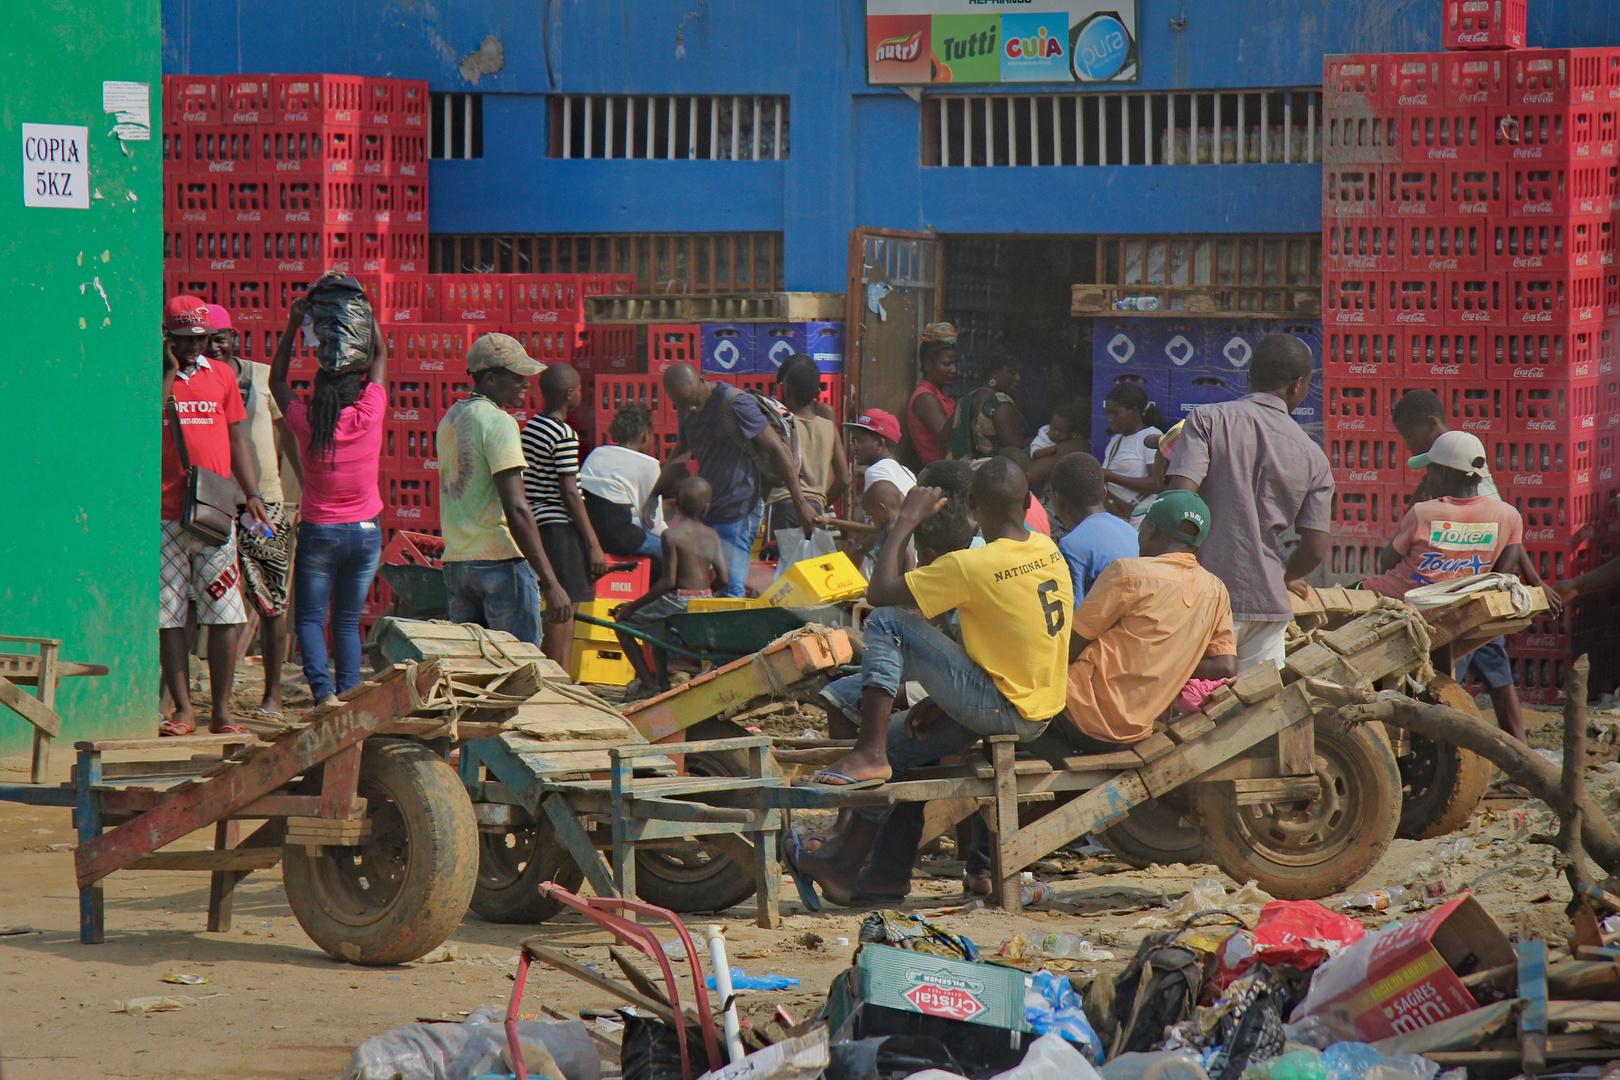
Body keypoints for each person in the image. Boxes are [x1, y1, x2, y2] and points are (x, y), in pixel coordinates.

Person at [800, 458, 1072, 792]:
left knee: (886, 622)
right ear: (1029, 501)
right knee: (895, 750)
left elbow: (879, 593)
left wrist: (905, 521)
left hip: (1004, 707)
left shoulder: (970, 564)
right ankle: (856, 842)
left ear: (972, 505)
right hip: (1038, 706)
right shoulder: (1046, 547)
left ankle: (868, 755)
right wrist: (943, 696)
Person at [1391, 389, 1558, 742]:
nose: (1407, 446)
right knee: (1498, 675)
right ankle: (1519, 750)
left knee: (1441, 675)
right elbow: (1509, 530)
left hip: (1452, 601)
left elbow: (1506, 533)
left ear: (1431, 425)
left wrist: (1535, 579)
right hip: (1480, 591)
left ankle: (1441, 746)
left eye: (1409, 436)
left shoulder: (1441, 483)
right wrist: (1528, 579)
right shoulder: (1470, 468)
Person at [1166, 334, 1332, 671]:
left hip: (1200, 596)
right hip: (1267, 607)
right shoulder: (1314, 456)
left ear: (1249, 376)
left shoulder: (1207, 420)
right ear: (1298, 385)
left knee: (1191, 710)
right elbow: (1314, 550)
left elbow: (1180, 502)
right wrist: (1282, 575)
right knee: (1256, 713)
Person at [1362, 430, 1530, 738]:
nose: (1425, 476)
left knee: (1354, 595)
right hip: (1469, 608)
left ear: (1440, 473)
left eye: (1429, 469)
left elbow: (1386, 562)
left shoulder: (1424, 512)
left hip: (1413, 608)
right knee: (1492, 654)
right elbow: (1501, 574)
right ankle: (1518, 745)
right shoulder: (1508, 515)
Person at [158, 295, 270, 737]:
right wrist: (169, 372)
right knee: (168, 615)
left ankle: (221, 713)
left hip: (214, 511)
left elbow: (237, 439)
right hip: (163, 513)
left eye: (198, 339)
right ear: (167, 338)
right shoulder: (156, 379)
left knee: (224, 609)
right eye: (182, 339)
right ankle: (183, 710)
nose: (191, 347)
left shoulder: (222, 376)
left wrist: (253, 492)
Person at [269, 297, 389, 708]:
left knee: (309, 619)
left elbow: (277, 381)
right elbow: (380, 356)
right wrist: (364, 311)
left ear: (317, 396)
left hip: (321, 534)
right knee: (348, 621)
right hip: (367, 534)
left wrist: (293, 323)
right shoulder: (369, 414)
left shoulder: (305, 423)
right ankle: (350, 690)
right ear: (357, 391)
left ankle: (324, 694)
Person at [1064, 491, 1239, 748]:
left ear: (1152, 530)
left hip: (1079, 714)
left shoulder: (1129, 573)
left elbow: (1069, 646)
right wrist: (1168, 662)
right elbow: (1226, 666)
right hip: (1137, 730)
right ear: (1197, 545)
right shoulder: (1216, 591)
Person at [437, 333, 572, 645]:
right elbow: (517, 508)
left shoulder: (451, 418)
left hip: (457, 562)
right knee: (517, 669)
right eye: (518, 377)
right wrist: (551, 583)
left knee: (471, 672)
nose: (527, 384)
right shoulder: (499, 422)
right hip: (499, 562)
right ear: (491, 379)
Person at [655, 363, 817, 598]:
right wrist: (654, 494)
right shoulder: (686, 408)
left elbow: (778, 449)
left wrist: (799, 502)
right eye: (681, 404)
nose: (690, 408)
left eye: (692, 400)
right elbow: (681, 451)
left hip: (739, 507)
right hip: (707, 511)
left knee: (731, 588)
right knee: (705, 588)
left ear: (702, 380)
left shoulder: (734, 403)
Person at [205, 304, 294, 719]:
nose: (214, 346)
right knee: (204, 600)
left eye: (220, 338)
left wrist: (306, 489)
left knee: (272, 601)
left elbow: (287, 436)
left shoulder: (260, 376)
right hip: (212, 502)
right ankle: (176, 699)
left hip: (265, 505)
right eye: (206, 340)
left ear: (234, 337)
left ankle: (273, 695)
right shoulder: (197, 381)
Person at [522, 363, 609, 667]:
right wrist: (593, 543)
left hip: (540, 524)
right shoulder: (564, 435)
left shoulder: (531, 427)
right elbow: (570, 493)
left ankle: (564, 676)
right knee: (561, 608)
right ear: (570, 394)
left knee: (566, 605)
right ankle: (550, 674)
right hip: (561, 528)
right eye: (580, 389)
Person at [614, 476, 728, 698]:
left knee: (622, 627)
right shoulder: (712, 535)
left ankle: (648, 683)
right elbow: (723, 577)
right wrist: (705, 594)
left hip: (678, 598)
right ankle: (662, 680)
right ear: (706, 508)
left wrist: (631, 607)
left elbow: (668, 582)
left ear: (677, 505)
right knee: (659, 626)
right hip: (704, 599)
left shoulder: (671, 535)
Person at [768, 355, 849, 531]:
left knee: (778, 558)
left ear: (786, 390)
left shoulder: (778, 423)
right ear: (817, 391)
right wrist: (817, 502)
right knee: (812, 559)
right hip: (817, 507)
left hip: (782, 504)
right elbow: (844, 478)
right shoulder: (829, 427)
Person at [578, 402, 666, 562]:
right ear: (645, 434)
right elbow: (653, 525)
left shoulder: (597, 453)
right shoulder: (648, 464)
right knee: (675, 551)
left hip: (588, 537)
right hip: (621, 539)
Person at [1051, 452, 1140, 602]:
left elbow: (1075, 613)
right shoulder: (1130, 531)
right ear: (1105, 492)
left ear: (1058, 498)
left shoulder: (1072, 545)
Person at [1100, 383, 1167, 522]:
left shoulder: (1151, 437)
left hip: (1139, 519)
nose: (1109, 419)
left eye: (1115, 414)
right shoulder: (1115, 441)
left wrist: (1111, 476)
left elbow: (1158, 484)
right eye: (1108, 413)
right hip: (1116, 515)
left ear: (1134, 411)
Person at [949, 349, 1026, 460]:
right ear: (993, 373)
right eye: (1011, 372)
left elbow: (944, 437)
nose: (1018, 378)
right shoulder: (999, 403)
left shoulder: (966, 399)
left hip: (967, 469)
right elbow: (1014, 449)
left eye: (1018, 372)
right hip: (999, 471)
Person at [904, 327, 959, 467]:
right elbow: (947, 440)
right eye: (947, 364)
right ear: (928, 365)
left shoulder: (937, 395)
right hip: (939, 472)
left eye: (955, 364)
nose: (954, 370)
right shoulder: (925, 398)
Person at [845, 408, 915, 498]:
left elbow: (888, 511)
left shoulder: (876, 471)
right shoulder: (907, 472)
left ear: (879, 444)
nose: (854, 448)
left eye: (860, 441)